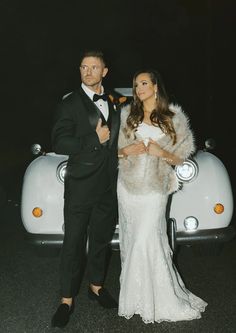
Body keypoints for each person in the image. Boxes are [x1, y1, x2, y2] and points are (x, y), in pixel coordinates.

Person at [117, 69, 207, 323]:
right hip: (127, 187)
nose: (139, 88)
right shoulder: (127, 116)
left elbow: (183, 154)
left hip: (155, 188)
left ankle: (160, 300)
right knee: (133, 238)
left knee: (148, 237)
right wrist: (125, 151)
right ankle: (136, 298)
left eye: (144, 83)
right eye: (136, 85)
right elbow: (112, 150)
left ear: (156, 87)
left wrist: (161, 153)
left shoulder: (174, 117)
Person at [51, 50, 120, 328]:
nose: (88, 71)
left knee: (101, 239)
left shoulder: (113, 101)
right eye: (83, 67)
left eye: (94, 67)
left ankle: (96, 287)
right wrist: (94, 138)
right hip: (80, 186)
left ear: (104, 71)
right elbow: (59, 142)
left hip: (107, 186)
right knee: (74, 243)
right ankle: (66, 300)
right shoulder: (70, 104)